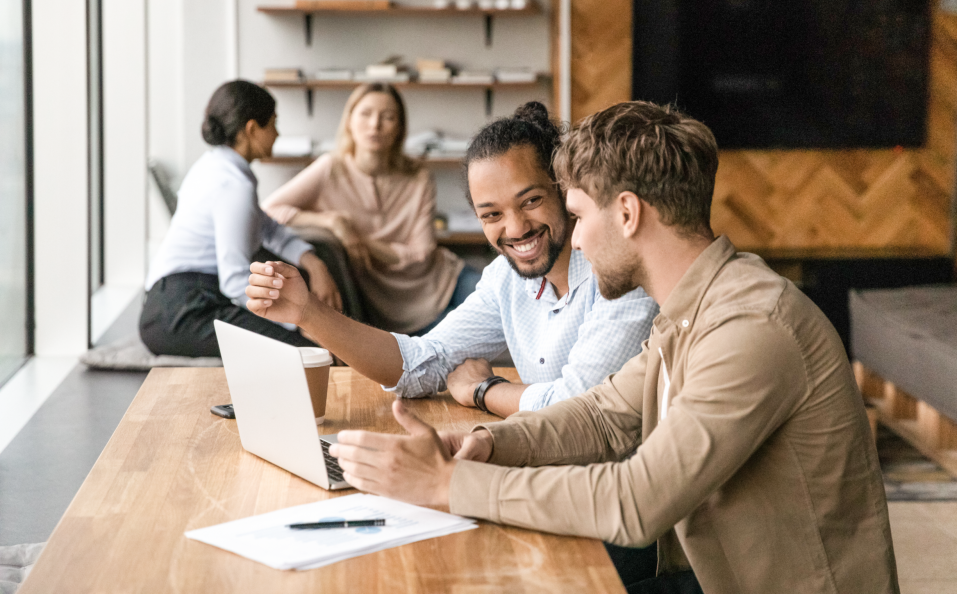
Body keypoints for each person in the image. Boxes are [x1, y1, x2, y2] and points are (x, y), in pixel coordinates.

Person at [317, 102, 900, 594]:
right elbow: (601, 417)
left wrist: (449, 485)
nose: (574, 240)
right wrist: (478, 443)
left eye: (575, 214)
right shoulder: (697, 306)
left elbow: (635, 499)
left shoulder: (751, 327)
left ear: (626, 212)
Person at [246, 102, 659, 417]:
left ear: (563, 190)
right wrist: (308, 312)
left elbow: (578, 405)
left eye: (530, 201)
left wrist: (484, 390)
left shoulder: (620, 272)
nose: (515, 228)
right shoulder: (506, 279)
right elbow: (419, 365)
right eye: (492, 215)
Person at [140, 80, 340, 358]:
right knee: (311, 355)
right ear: (251, 129)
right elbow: (234, 279)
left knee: (311, 349)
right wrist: (296, 322)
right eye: (272, 124)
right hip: (183, 310)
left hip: (173, 301)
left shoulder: (216, 166)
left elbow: (268, 227)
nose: (277, 134)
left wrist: (314, 263)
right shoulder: (233, 186)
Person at [262, 83, 477, 335]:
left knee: (502, 306)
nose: (375, 125)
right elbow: (268, 211)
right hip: (387, 306)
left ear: (399, 128)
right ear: (349, 120)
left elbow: (422, 256)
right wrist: (332, 222)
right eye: (365, 114)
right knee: (459, 343)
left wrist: (359, 240)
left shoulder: (418, 177)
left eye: (387, 117)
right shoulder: (330, 168)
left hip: (443, 280)